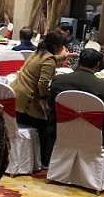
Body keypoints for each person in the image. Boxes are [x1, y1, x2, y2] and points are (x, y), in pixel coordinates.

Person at [11, 31, 69, 166]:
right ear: (56, 46)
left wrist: (66, 57)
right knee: (47, 125)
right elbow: (43, 83)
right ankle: (44, 159)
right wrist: (43, 101)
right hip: (28, 101)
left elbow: (50, 59)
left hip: (17, 96)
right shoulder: (48, 60)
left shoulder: (38, 52)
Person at [48, 47, 104, 148]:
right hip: (91, 136)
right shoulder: (101, 85)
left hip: (60, 131)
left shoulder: (58, 80)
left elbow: (51, 104)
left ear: (79, 62)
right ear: (98, 65)